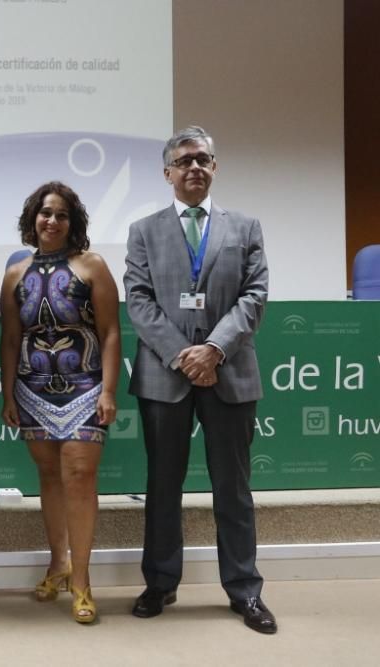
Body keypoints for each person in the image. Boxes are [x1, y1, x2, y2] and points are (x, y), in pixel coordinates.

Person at [124, 126, 275, 634]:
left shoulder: (246, 227)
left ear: (214, 168)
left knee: (233, 489)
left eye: (204, 160)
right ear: (167, 172)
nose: (195, 167)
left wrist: (213, 349)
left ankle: (245, 591)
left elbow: (254, 296)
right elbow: (139, 302)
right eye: (184, 160)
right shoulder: (143, 230)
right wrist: (182, 355)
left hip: (229, 371)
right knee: (162, 487)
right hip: (165, 376)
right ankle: (160, 583)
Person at [0, 182, 120, 624]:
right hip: (32, 390)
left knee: (80, 475)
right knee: (49, 474)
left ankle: (83, 583)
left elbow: (110, 332)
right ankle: (58, 564)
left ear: (74, 222)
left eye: (62, 214)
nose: (52, 221)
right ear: (33, 218)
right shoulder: (15, 273)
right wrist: (7, 391)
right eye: (45, 213)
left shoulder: (93, 266)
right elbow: (11, 338)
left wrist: (107, 391)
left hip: (85, 385)